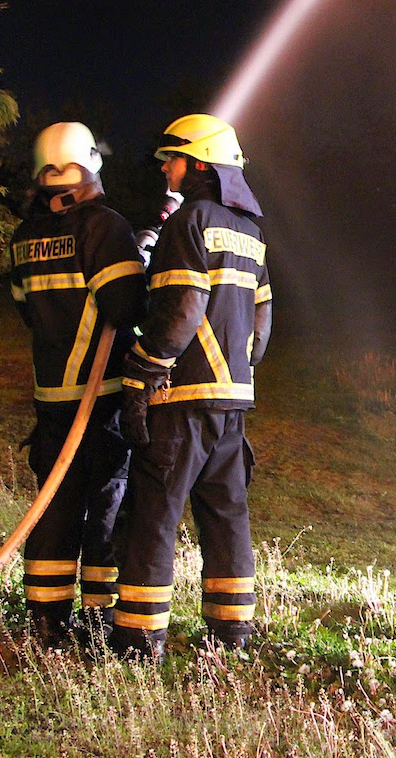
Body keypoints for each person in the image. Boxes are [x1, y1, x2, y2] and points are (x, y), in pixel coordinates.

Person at [110, 113, 272, 660]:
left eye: (172, 159)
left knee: (155, 515)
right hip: (232, 403)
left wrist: (141, 373)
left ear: (199, 163)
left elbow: (182, 311)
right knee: (227, 517)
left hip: (181, 400)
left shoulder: (191, 223)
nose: (166, 171)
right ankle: (231, 638)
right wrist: (238, 371)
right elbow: (262, 320)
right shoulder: (251, 233)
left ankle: (138, 638)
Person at [9, 122, 147, 648]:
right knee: (107, 502)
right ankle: (97, 618)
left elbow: (26, 310)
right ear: (88, 164)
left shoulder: (25, 236)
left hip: (51, 398)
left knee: (55, 507)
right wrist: (139, 264)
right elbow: (126, 309)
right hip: (100, 397)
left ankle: (46, 621)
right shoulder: (104, 227)